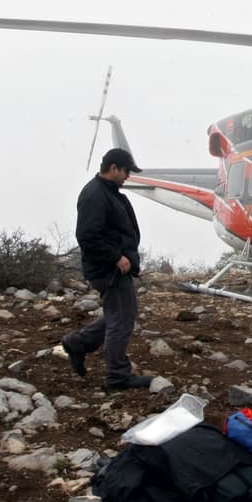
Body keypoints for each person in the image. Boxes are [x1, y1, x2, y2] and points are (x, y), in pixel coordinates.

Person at [61, 148, 154, 391]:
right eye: (126, 171)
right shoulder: (95, 194)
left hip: (114, 267)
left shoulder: (108, 192)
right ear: (113, 168)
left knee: (120, 314)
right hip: (109, 269)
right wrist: (116, 257)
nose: (128, 177)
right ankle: (117, 377)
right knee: (121, 320)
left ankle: (77, 344)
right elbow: (87, 235)